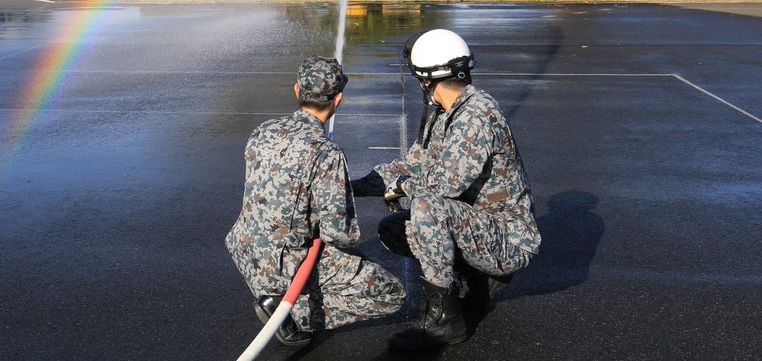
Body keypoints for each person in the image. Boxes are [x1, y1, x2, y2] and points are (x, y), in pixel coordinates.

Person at [352, 29, 541, 350]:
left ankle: (446, 322)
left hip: (509, 240)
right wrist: (347, 187)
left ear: (426, 79)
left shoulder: (476, 116)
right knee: (396, 230)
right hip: (479, 224)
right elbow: (410, 166)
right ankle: (478, 283)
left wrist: (402, 187)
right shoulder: (445, 115)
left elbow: (443, 187)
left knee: (428, 210)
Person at [225, 56, 405, 347]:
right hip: (284, 265)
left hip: (246, 252)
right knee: (391, 294)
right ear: (339, 100)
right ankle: (292, 314)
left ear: (297, 91)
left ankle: (284, 299)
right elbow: (341, 235)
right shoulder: (327, 153)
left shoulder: (262, 131)